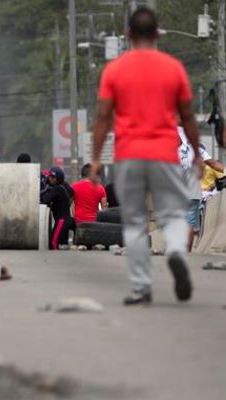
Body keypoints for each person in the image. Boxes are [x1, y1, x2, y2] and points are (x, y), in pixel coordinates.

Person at [92, 7, 201, 305]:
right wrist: (196, 154)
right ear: (157, 34)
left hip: (129, 155)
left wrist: (97, 157)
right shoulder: (173, 68)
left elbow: (102, 116)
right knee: (172, 213)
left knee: (135, 222)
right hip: (165, 153)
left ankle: (142, 288)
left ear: (127, 35)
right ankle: (177, 251)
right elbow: (188, 116)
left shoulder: (114, 70)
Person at [178, 133, 224, 251]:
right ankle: (186, 254)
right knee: (189, 224)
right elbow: (213, 163)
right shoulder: (198, 150)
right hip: (193, 192)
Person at [40, 166, 74, 250]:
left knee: (53, 243)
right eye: (49, 176)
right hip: (65, 220)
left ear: (58, 179)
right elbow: (71, 191)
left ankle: (54, 261)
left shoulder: (57, 189)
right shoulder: (62, 187)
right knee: (62, 244)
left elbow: (45, 200)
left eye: (53, 177)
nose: (50, 178)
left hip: (62, 221)